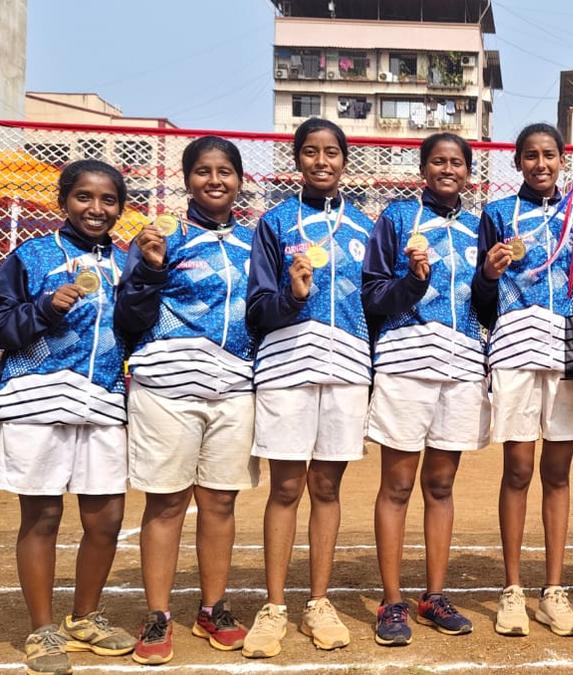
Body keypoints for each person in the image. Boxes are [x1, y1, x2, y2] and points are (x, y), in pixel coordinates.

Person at [116, 136, 260, 665]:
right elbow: (128, 318)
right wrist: (152, 270)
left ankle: (213, 607)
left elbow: (264, 313)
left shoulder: (254, 243)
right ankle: (157, 614)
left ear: (240, 180)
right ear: (187, 179)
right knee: (167, 500)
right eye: (203, 171)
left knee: (221, 500)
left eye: (226, 171)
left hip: (234, 388)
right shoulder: (160, 237)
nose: (215, 180)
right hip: (165, 389)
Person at [241, 117, 374, 657]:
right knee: (287, 488)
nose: (322, 162)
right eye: (311, 153)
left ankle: (318, 601)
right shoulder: (274, 223)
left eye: (332, 153)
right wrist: (293, 299)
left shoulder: (367, 226)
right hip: (287, 367)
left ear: (345, 161)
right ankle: (274, 606)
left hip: (347, 368)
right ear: (296, 160)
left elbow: (377, 301)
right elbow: (257, 308)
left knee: (327, 488)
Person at [0, 159, 137, 675]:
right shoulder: (31, 256)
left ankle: (85, 616)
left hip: (103, 401)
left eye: (108, 200)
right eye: (84, 197)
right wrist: (45, 307)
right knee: (43, 516)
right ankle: (42, 629)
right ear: (64, 202)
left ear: (120, 208)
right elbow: (3, 325)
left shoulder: (126, 262)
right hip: (36, 400)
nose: (96, 209)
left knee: (106, 519)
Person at [362, 132, 489, 645]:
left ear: (468, 172)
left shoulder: (480, 228)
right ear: (423, 168)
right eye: (438, 161)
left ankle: (433, 596)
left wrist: (491, 279)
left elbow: (484, 303)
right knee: (397, 485)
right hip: (406, 360)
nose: (447, 169)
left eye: (457, 162)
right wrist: (412, 283)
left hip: (460, 364)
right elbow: (373, 294)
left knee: (441, 485)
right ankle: (392, 601)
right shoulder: (397, 219)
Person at [473, 123, 573, 637]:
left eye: (549, 155)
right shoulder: (497, 214)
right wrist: (490, 274)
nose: (541, 164)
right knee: (518, 469)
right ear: (517, 162)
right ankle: (513, 589)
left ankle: (554, 590)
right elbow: (482, 298)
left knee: (559, 473)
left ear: (562, 159)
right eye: (530, 156)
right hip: (516, 349)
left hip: (568, 349)